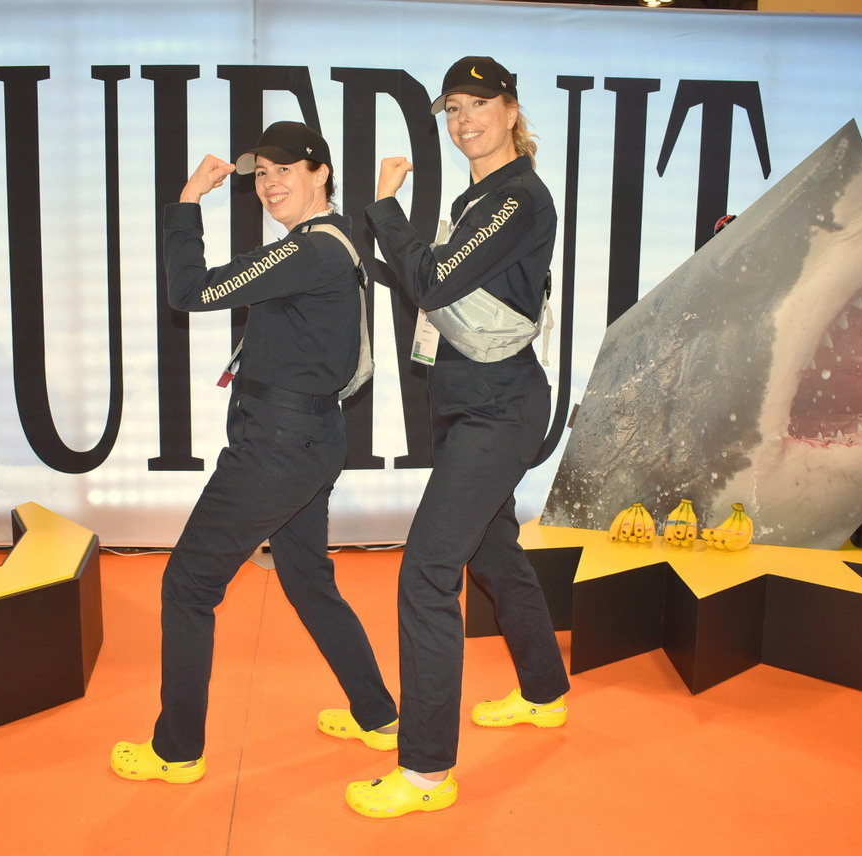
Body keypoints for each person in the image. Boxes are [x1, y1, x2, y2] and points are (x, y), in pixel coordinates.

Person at [111, 121, 398, 784]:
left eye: (284, 170)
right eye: (261, 174)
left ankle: (175, 751)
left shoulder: (309, 251)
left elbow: (190, 291)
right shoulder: (332, 241)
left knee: (188, 584)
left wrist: (188, 200)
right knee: (307, 580)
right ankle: (379, 715)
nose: (269, 184)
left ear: (322, 172)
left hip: (278, 445)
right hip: (308, 437)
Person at [342, 57, 570, 817]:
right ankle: (545, 692)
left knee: (427, 573)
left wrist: (385, 208)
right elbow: (431, 281)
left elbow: (435, 281)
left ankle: (425, 772)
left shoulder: (516, 197)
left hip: (499, 409)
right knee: (494, 551)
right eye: (453, 109)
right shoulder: (478, 200)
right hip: (468, 400)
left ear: (511, 110)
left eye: (480, 103)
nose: (465, 119)